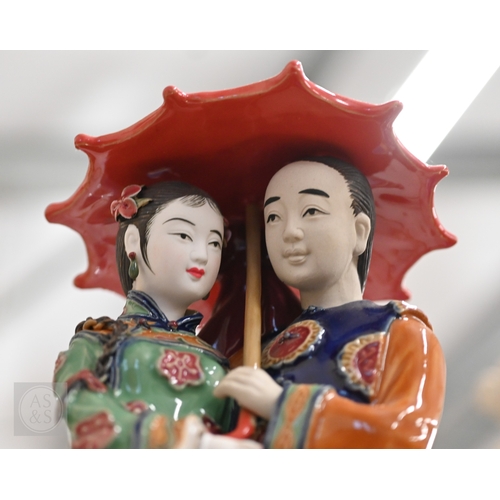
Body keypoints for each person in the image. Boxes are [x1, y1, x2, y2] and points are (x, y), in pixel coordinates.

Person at [214, 158, 446, 448]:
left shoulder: (401, 334)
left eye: (311, 211)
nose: (290, 231)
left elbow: (406, 435)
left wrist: (282, 404)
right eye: (273, 217)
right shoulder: (254, 353)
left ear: (359, 231)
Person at [54, 181, 259, 448]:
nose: (202, 255)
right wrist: (186, 440)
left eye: (214, 243)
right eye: (184, 235)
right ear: (133, 241)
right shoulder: (99, 341)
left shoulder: (221, 358)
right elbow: (78, 405)